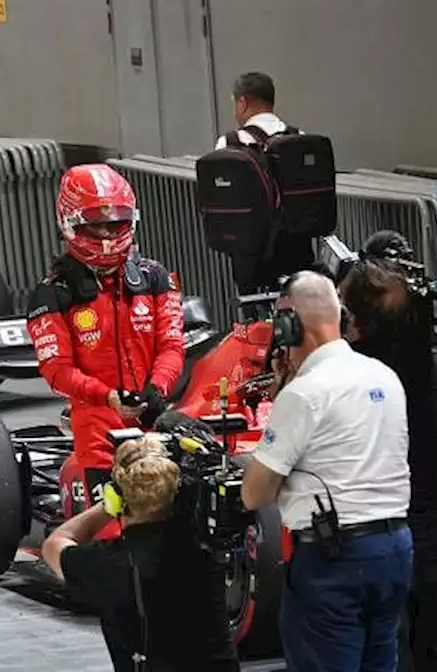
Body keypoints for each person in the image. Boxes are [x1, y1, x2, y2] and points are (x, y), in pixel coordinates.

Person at [242, 271, 413, 672]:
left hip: (334, 560)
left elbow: (255, 495)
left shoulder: (305, 393)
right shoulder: (385, 376)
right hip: (395, 550)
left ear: (289, 324)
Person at [26, 163, 184, 516]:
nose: (107, 233)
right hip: (97, 426)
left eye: (115, 222)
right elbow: (57, 371)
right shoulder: (53, 295)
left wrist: (156, 389)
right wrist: (107, 397)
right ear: (70, 223)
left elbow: (172, 346)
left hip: (153, 415)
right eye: (95, 223)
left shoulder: (156, 277)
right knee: (114, 527)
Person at [340, 232, 437, 672]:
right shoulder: (422, 359)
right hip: (424, 519)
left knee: (392, 643)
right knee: (433, 632)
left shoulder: (364, 371)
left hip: (385, 525)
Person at [42, 432, 240, 671]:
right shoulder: (204, 546)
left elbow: (56, 543)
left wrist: (107, 507)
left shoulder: (106, 563)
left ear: (117, 498)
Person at [213, 72, 317, 296]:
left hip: (251, 252)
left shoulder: (230, 143)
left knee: (255, 318)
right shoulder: (298, 137)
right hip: (298, 247)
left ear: (243, 103)